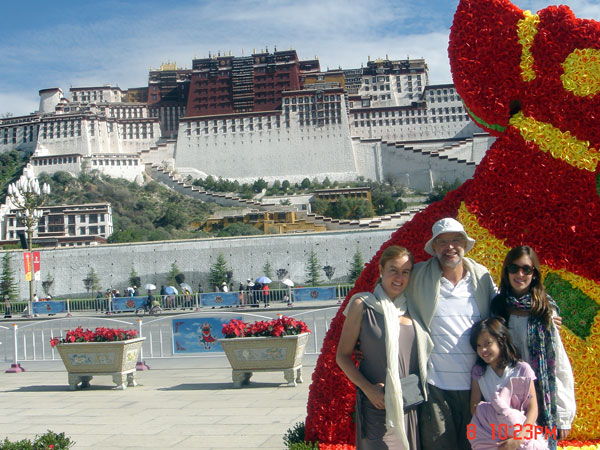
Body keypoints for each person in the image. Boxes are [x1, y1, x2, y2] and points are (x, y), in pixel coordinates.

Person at [405, 218, 497, 450]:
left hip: (477, 387)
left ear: (465, 245)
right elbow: (386, 289)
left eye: (456, 240)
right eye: (442, 242)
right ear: (434, 248)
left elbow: (506, 303)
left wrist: (549, 309)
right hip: (436, 388)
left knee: (476, 446)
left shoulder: (481, 276)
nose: (450, 247)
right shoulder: (418, 276)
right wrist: (363, 334)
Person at [337, 245, 433, 450]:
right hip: (376, 404)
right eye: (393, 270)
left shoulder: (414, 309)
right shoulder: (362, 306)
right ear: (381, 270)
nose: (399, 277)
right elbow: (342, 356)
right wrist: (368, 389)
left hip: (409, 405)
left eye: (405, 272)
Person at [490, 246, 575, 450]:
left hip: (541, 401)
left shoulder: (545, 310)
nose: (520, 274)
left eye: (526, 269)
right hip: (506, 399)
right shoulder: (497, 308)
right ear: (506, 271)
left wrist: (563, 415)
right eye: (514, 268)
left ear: (534, 274)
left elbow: (559, 365)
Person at [469, 317, 547, 450]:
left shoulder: (521, 369)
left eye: (488, 343)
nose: (483, 350)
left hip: (522, 433)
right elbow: (474, 407)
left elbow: (533, 409)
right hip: (493, 434)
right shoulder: (479, 372)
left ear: (501, 341)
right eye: (479, 346)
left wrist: (519, 437)